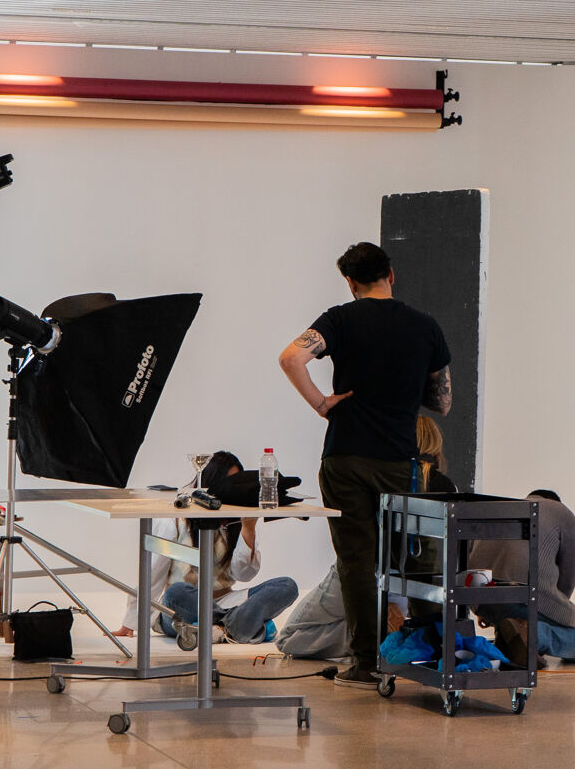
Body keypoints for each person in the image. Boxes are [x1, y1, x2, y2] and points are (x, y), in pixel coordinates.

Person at [279, 241, 451, 687]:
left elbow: (290, 357)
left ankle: (366, 663)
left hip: (345, 456)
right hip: (398, 459)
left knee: (357, 561)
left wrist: (321, 403)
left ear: (351, 283)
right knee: (411, 558)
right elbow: (443, 402)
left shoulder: (339, 319)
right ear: (391, 274)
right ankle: (429, 649)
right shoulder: (425, 327)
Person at [113, 451, 298, 646]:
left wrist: (248, 528)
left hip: (225, 600)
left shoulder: (237, 519)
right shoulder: (176, 520)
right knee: (176, 592)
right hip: (182, 608)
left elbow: (243, 575)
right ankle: (241, 625)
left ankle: (218, 629)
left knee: (287, 586)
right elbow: (151, 574)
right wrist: (130, 623)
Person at [471, 489, 575, 664]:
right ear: (555, 502)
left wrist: (484, 609)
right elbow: (570, 573)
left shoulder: (501, 509)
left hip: (479, 599)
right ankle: (532, 636)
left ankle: (514, 641)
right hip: (526, 596)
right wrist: (559, 608)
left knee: (513, 617)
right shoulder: (562, 512)